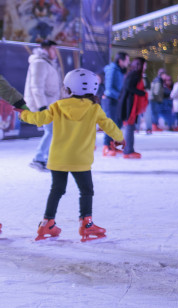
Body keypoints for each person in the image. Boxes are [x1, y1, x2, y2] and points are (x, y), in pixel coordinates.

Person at [17, 68, 123, 242]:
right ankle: (86, 224)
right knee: (86, 191)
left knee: (56, 190)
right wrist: (119, 139)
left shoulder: (58, 106)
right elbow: (108, 125)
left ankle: (47, 223)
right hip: (80, 160)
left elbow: (39, 119)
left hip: (58, 158)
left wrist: (24, 115)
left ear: (68, 88)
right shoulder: (94, 108)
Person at [25, 40, 65, 172]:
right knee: (51, 131)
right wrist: (42, 108)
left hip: (50, 104)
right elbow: (36, 87)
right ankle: (38, 158)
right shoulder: (39, 63)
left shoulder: (48, 63)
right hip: (44, 105)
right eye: (54, 49)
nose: (56, 52)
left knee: (53, 131)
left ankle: (46, 158)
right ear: (46, 49)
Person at [119, 57, 149, 158]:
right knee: (129, 126)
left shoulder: (134, 74)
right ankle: (128, 151)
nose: (146, 67)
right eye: (144, 64)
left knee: (130, 127)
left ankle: (129, 150)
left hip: (130, 102)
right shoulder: (134, 74)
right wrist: (142, 93)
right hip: (130, 103)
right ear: (139, 65)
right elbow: (129, 87)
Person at [101, 51, 129, 151]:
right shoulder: (112, 70)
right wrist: (119, 96)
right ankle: (106, 146)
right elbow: (109, 88)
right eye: (127, 60)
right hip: (110, 99)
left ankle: (112, 144)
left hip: (116, 99)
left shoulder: (120, 71)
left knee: (118, 123)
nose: (128, 63)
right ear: (120, 60)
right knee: (110, 123)